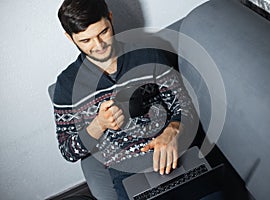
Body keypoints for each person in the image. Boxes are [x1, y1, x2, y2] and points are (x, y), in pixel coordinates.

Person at [53, 0, 197, 199]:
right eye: (86, 41)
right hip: (129, 173)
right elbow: (68, 151)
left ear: (110, 18)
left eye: (103, 32)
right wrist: (98, 125)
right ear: (70, 38)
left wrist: (173, 130)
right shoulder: (67, 85)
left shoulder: (148, 54)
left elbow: (185, 106)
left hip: (173, 153)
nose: (99, 46)